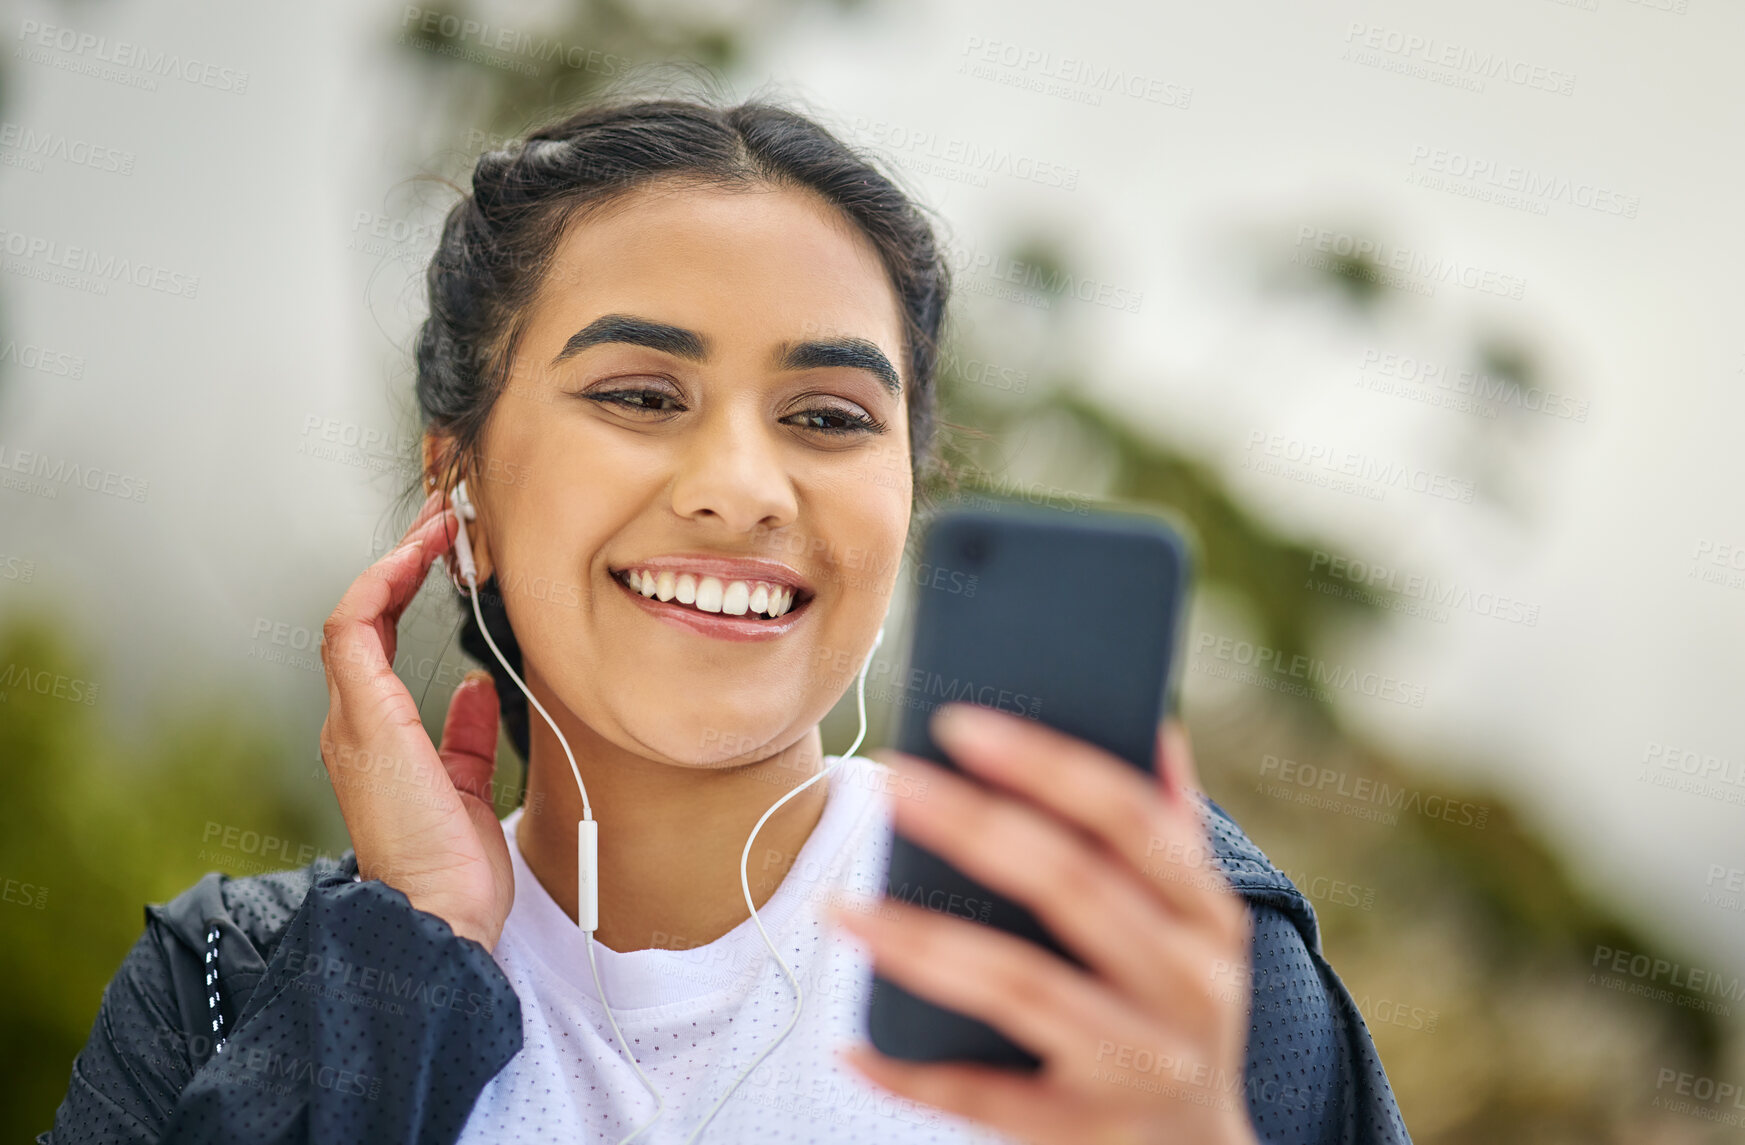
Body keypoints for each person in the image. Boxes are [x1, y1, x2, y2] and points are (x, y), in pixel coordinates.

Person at [40, 90, 1412, 1145]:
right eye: (640, 394)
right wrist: (404, 970)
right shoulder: (228, 984)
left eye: (827, 418)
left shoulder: (1139, 940)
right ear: (455, 475)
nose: (744, 490)